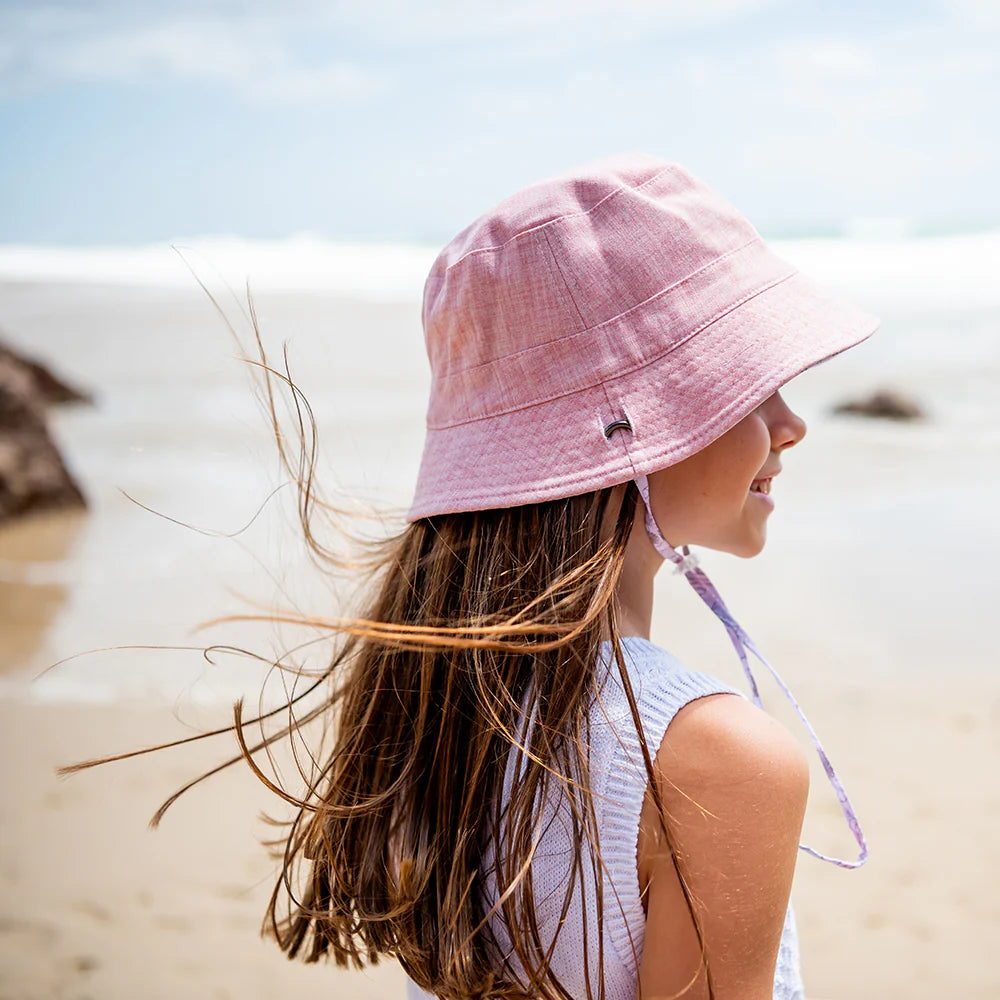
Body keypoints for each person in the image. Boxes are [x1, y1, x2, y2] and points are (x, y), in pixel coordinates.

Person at [66, 152, 877, 1000]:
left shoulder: (444, 702)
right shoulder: (718, 761)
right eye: (747, 387)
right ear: (629, 434)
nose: (792, 424)